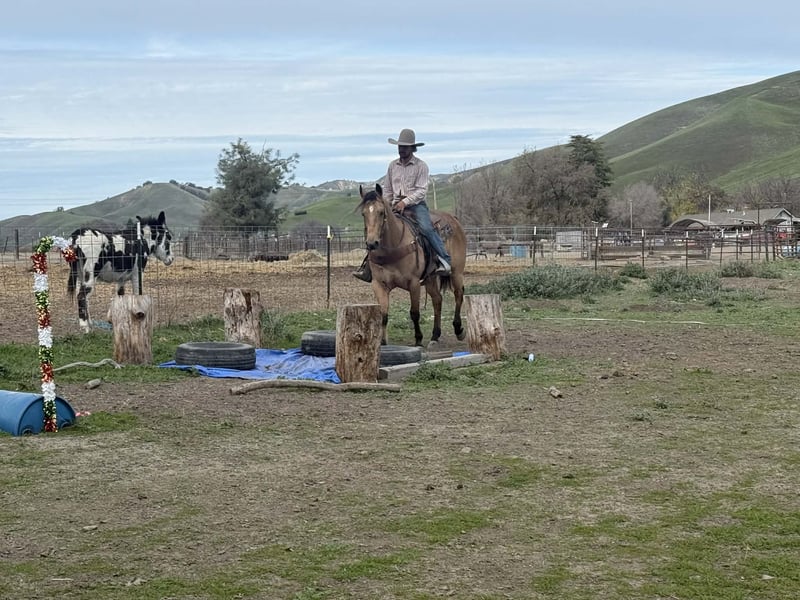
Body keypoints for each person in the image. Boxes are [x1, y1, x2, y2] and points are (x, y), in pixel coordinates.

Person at [353, 128, 452, 282]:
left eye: (405, 147)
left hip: (416, 206)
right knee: (379, 227)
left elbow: (421, 191)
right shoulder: (393, 166)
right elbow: (387, 189)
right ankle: (368, 267)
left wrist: (404, 202)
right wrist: (386, 204)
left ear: (412, 148)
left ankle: (444, 260)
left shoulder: (421, 166)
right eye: (400, 147)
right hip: (394, 205)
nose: (401, 150)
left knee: (426, 228)